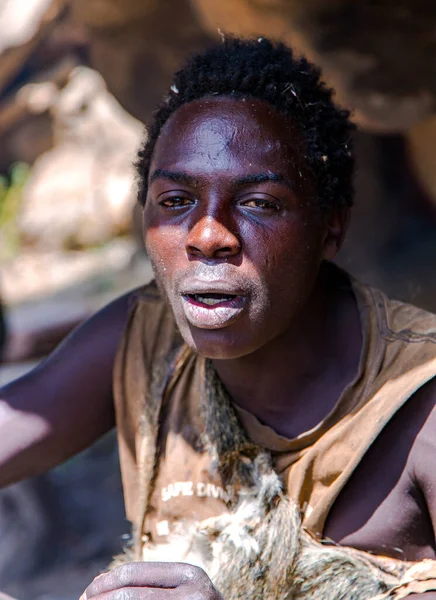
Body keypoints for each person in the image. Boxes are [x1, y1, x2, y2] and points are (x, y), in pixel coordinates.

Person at [1, 37, 436, 599]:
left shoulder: (417, 403)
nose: (208, 236)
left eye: (258, 203)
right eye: (176, 201)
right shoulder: (144, 340)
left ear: (330, 226)